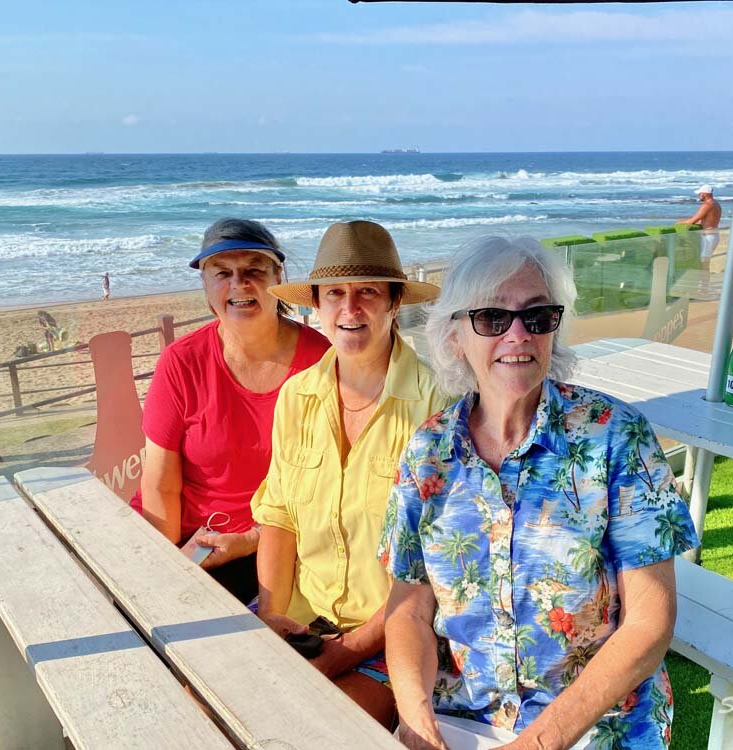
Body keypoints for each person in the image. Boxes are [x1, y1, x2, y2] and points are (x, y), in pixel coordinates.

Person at [380, 236, 699, 750]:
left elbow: (649, 623)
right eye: (491, 318)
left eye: (536, 317)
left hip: (599, 724)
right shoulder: (428, 453)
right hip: (465, 717)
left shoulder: (615, 436)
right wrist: (416, 722)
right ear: (455, 336)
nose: (517, 335)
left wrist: (538, 743)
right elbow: (410, 607)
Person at [252, 220, 447, 728]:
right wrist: (273, 615)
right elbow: (278, 515)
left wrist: (349, 649)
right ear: (316, 303)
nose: (350, 308)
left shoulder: (436, 406)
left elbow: (436, 567)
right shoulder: (297, 396)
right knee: (200, 701)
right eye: (334, 293)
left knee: (316, 732)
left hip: (398, 634)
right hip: (301, 616)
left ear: (395, 301)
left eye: (367, 292)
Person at [136, 218, 329, 604]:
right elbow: (161, 485)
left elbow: (325, 488)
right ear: (206, 286)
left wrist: (250, 540)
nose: (239, 284)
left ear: (279, 276)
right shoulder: (182, 362)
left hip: (277, 540)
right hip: (192, 538)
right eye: (222, 273)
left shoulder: (321, 360)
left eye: (255, 270)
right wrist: (168, 571)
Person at [678, 184, 722, 268]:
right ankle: (704, 281)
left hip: (708, 237)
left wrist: (679, 223)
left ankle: (704, 281)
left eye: (700, 193)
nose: (699, 195)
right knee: (704, 263)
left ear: (705, 194)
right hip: (713, 235)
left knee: (703, 264)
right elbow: (707, 221)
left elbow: (692, 221)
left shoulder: (707, 205)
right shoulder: (716, 204)